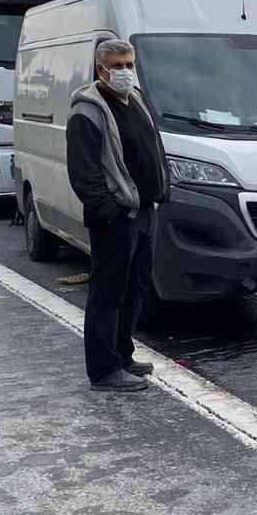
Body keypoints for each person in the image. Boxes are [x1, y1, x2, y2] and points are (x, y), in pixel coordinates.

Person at [67, 38, 169, 392]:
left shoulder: (135, 99)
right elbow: (84, 172)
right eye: (119, 66)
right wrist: (110, 211)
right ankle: (104, 369)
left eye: (130, 64)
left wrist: (160, 190)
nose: (126, 71)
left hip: (143, 212)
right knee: (108, 293)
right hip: (116, 218)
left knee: (135, 289)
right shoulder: (88, 110)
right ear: (102, 70)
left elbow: (152, 147)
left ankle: (122, 355)